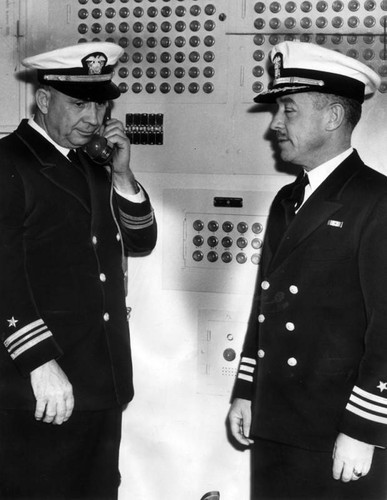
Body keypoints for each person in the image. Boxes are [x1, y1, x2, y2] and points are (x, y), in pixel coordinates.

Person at [228, 41, 387, 500]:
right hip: (277, 419)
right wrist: (248, 389)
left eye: (289, 110)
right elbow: (267, 308)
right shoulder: (288, 200)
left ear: (333, 117)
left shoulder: (376, 201)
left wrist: (364, 428)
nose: (275, 124)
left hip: (338, 431)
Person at [0, 42, 157, 499]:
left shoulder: (92, 162)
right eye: (79, 103)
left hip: (100, 380)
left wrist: (123, 175)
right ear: (44, 100)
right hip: (40, 382)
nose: (93, 116)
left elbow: (141, 241)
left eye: (101, 103)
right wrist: (39, 362)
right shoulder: (9, 162)